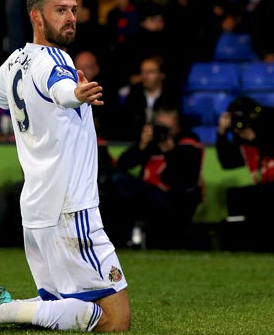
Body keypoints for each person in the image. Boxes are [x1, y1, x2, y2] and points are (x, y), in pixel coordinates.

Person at [0, 0, 130, 332]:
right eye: (60, 10)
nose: (70, 18)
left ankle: (1, 311)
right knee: (114, 320)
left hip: (36, 211)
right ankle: (0, 311)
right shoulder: (56, 63)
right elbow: (59, 88)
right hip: (70, 209)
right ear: (36, 17)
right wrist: (75, 93)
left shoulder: (17, 60)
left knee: (60, 305)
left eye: (73, 10)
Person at [105, 105, 204, 249]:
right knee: (112, 178)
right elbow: (122, 164)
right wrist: (142, 145)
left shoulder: (188, 144)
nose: (162, 132)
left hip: (174, 199)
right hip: (147, 196)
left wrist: (170, 151)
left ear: (176, 125)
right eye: (159, 127)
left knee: (122, 182)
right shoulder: (151, 144)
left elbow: (183, 180)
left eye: (166, 128)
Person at [215, 96, 274, 251]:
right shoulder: (244, 143)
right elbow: (227, 162)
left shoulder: (269, 126)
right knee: (236, 195)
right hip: (264, 188)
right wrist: (221, 134)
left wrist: (254, 138)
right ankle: (240, 243)